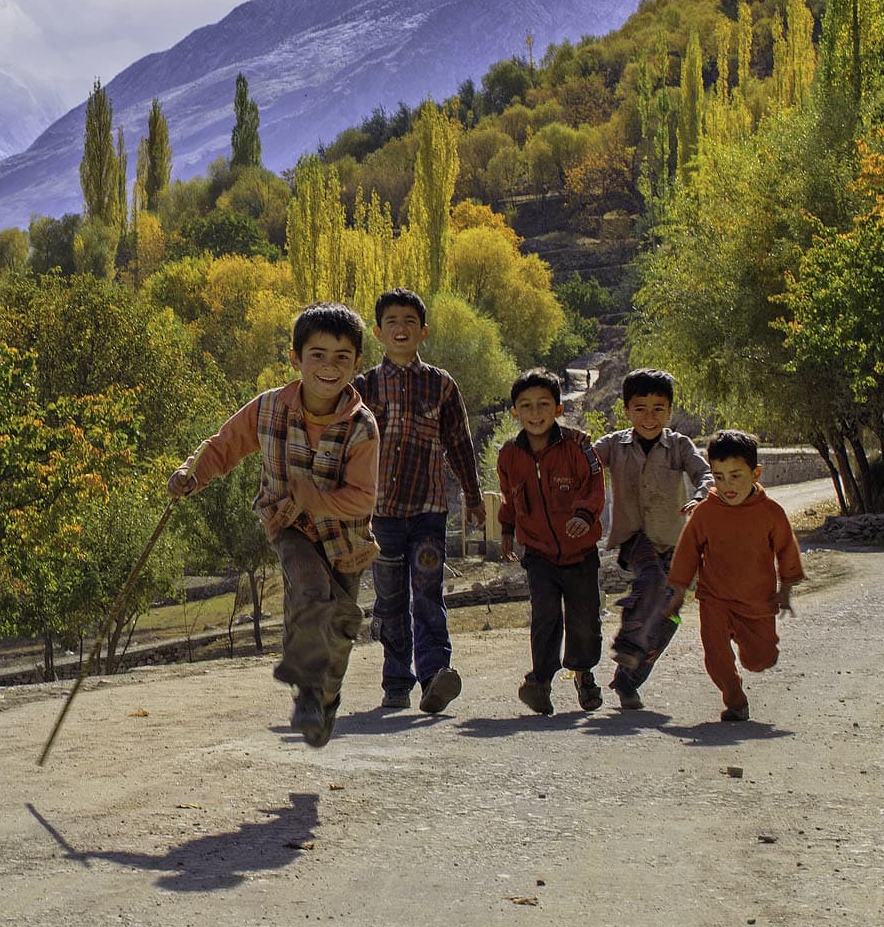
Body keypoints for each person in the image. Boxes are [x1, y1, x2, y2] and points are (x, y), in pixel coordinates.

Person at [169, 302, 379, 747]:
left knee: (339, 626)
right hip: (290, 526)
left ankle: (325, 699)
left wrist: (315, 497)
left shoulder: (362, 428)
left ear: (357, 364)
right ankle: (307, 692)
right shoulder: (268, 409)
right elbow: (225, 444)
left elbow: (363, 497)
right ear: (295, 359)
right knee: (307, 589)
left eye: (342, 357)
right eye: (317, 355)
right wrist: (192, 474)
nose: (329, 367)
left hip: (346, 541)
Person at [350, 288, 484, 714]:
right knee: (390, 601)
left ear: (423, 331)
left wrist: (474, 497)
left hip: (429, 511)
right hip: (382, 515)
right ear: (378, 332)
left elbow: (460, 443)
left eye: (410, 321)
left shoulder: (441, 385)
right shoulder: (363, 387)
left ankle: (433, 677)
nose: (401, 328)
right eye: (392, 321)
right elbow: (342, 447)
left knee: (428, 593)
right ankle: (395, 682)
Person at [593, 369, 713, 710]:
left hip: (674, 542)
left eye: (658, 408)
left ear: (670, 410)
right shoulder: (614, 445)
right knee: (653, 579)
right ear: (627, 410)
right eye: (640, 408)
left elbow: (702, 472)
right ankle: (629, 643)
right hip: (633, 537)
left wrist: (702, 494)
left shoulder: (678, 446)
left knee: (668, 617)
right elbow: (582, 462)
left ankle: (628, 680)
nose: (649, 417)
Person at [665, 430, 802, 722]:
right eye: (719, 476)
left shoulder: (771, 513)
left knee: (760, 659)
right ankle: (735, 700)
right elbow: (688, 551)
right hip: (714, 598)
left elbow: (787, 549)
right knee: (716, 657)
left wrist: (786, 589)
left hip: (756, 603)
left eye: (736, 476)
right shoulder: (705, 512)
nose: (727, 485)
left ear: (756, 473)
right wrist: (678, 592)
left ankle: (756, 654)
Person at [498, 368, 605, 715]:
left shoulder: (578, 446)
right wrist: (507, 532)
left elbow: (594, 485)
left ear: (559, 408)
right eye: (526, 406)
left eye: (544, 404)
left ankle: (583, 672)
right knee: (544, 615)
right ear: (515, 412)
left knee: (584, 618)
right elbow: (509, 498)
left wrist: (584, 516)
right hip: (540, 554)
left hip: (580, 553)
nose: (535, 413)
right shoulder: (509, 456)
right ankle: (540, 682)